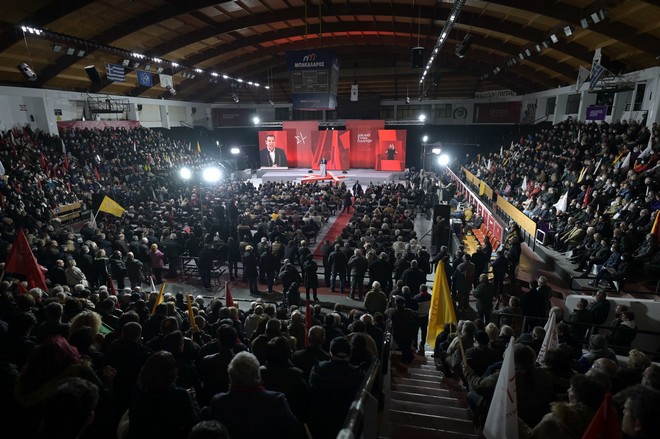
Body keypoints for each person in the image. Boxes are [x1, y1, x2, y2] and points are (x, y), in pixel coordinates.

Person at [210, 351, 304, 438]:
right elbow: (296, 431)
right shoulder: (276, 401)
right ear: (258, 375)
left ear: (231, 376)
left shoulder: (218, 402)